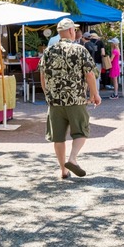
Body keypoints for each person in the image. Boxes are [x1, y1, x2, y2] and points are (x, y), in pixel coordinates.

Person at [39, 18, 101, 179]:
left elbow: (42, 76)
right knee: (81, 131)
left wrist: (48, 95)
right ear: (72, 31)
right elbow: (89, 74)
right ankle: (72, 159)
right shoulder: (79, 50)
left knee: (58, 137)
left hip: (55, 102)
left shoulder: (48, 51)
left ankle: (63, 170)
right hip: (76, 99)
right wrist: (95, 94)